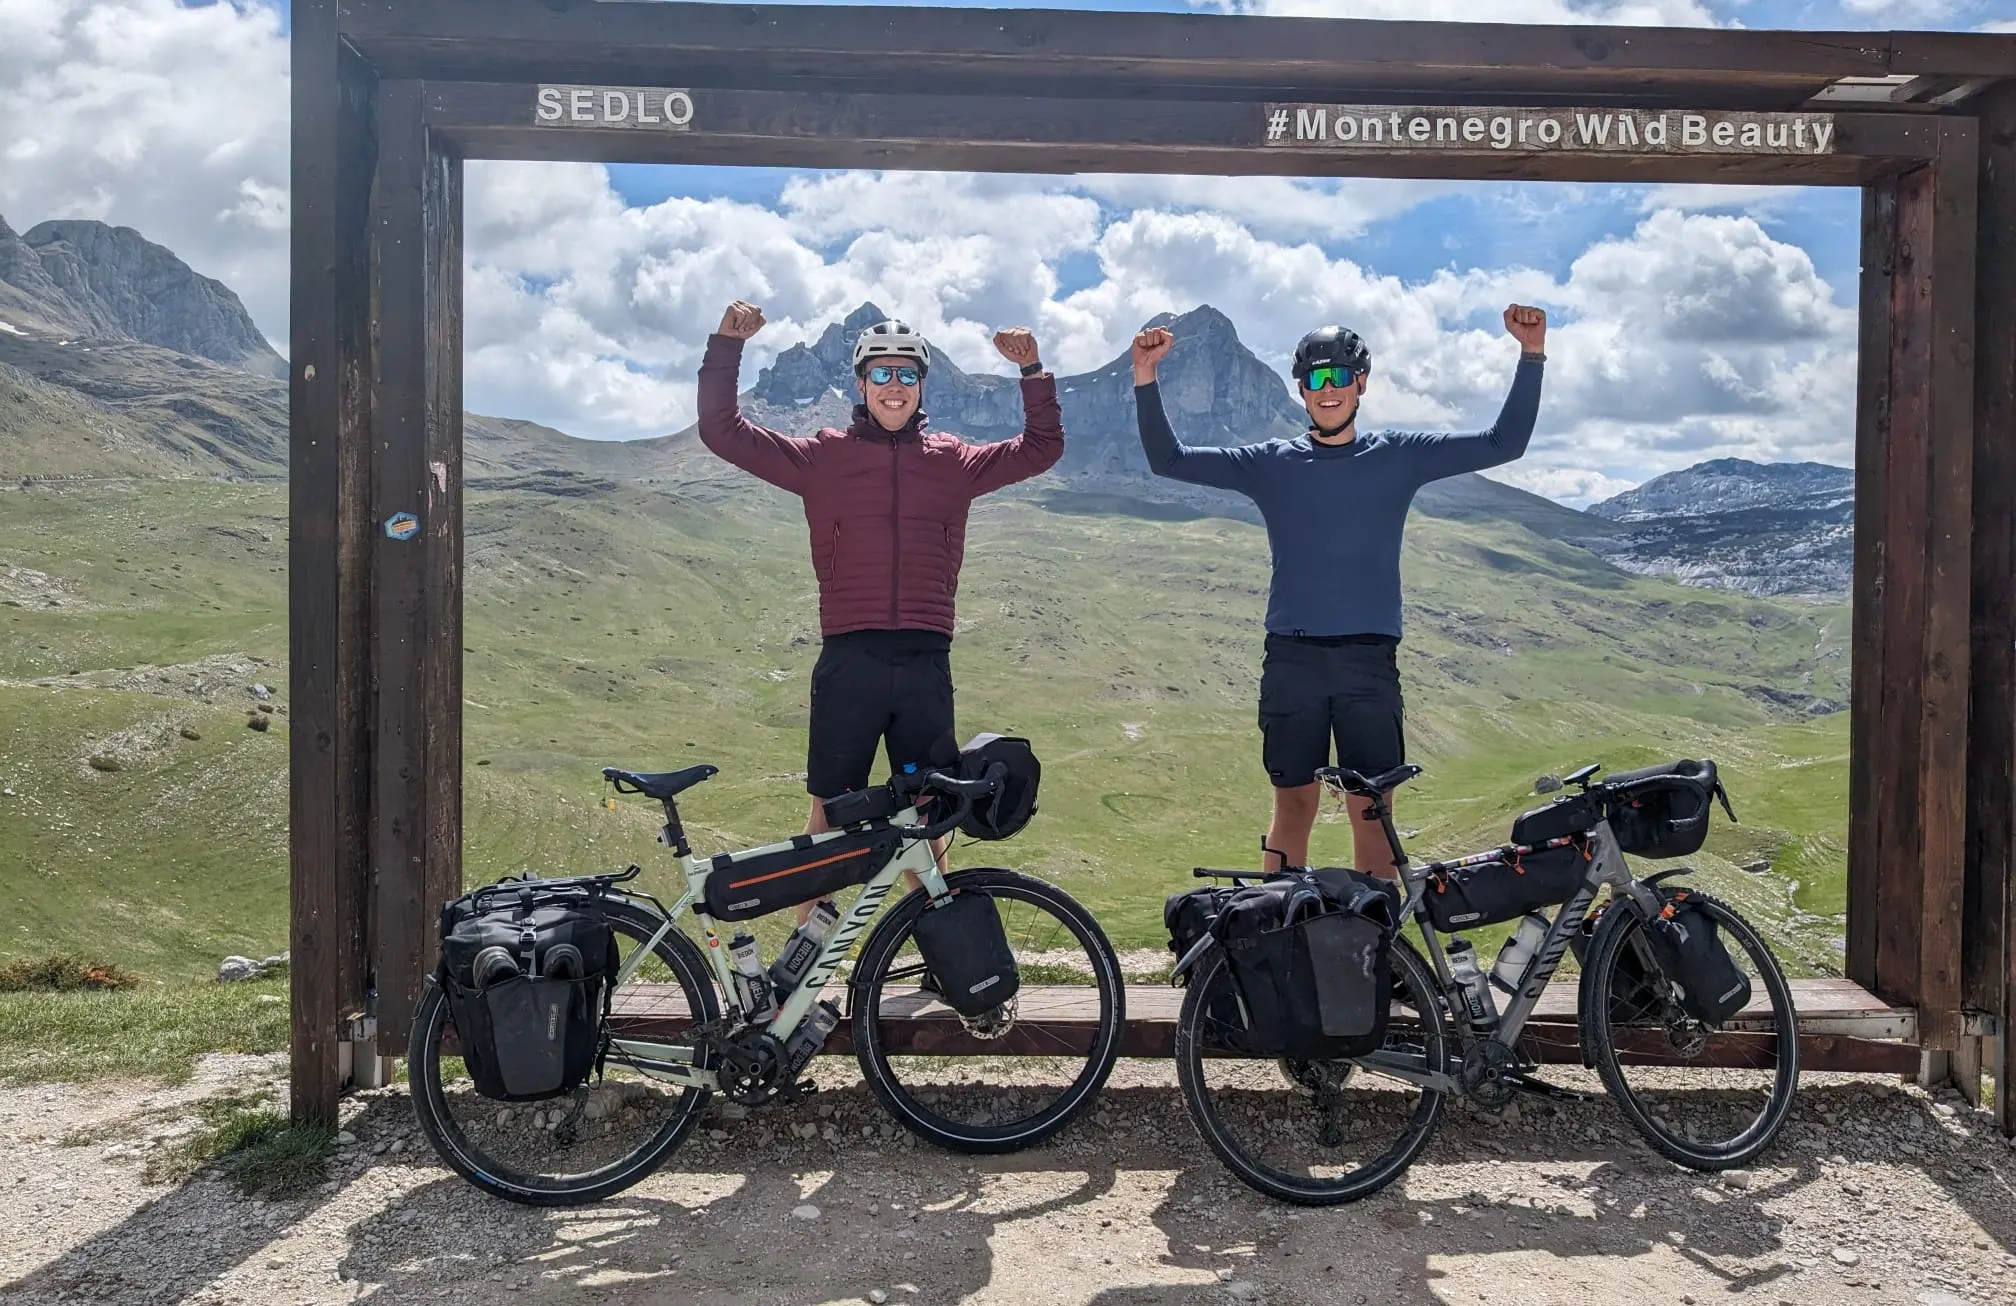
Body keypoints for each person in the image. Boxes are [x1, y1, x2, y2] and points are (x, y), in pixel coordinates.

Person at [1132, 306, 1548, 877]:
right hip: (1292, 659)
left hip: (1368, 661)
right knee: (1294, 805)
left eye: (1340, 377)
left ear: (1362, 384)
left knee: (1371, 810)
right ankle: (1279, 936)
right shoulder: (1270, 463)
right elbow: (1168, 459)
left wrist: (1531, 354)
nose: (1329, 390)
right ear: (1301, 391)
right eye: (1316, 380)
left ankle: (1374, 950)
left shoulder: (1400, 455)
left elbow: (1505, 442)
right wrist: (1145, 376)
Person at [699, 302, 1064, 915]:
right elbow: (722, 430)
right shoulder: (823, 456)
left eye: (907, 375)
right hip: (850, 659)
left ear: (922, 385)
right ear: (861, 383)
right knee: (829, 812)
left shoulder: (954, 460)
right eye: (882, 374)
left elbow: (1042, 447)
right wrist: (727, 347)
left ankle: (936, 957)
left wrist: (1031, 370)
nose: (894, 387)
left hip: (924, 661)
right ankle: (802, 974)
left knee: (928, 814)